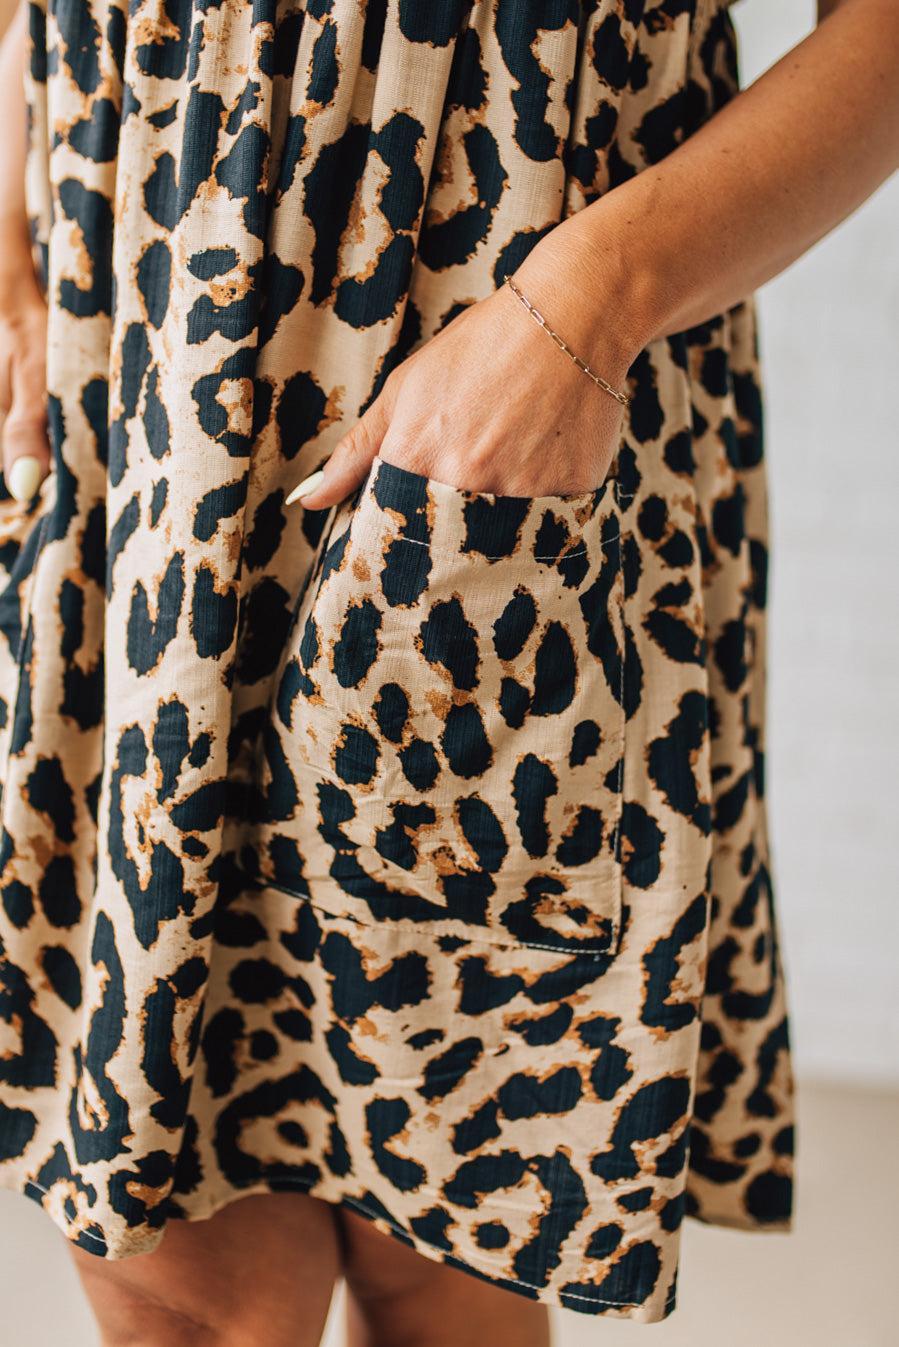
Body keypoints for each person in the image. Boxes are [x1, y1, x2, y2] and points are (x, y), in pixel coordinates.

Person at [0, 0, 896, 1343]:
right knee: (174, 1271)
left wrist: (589, 304)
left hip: (508, 378)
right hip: (120, 368)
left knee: (445, 1245)